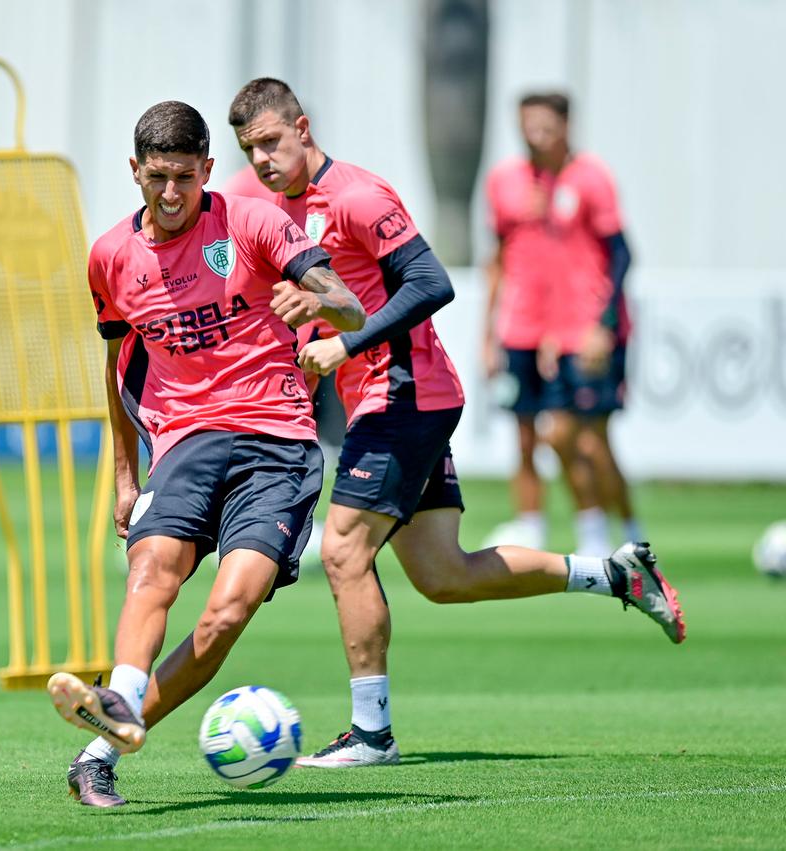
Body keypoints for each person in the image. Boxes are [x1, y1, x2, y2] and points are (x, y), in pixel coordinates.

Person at [226, 77, 684, 769]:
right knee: (444, 575)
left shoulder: (356, 195)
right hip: (390, 399)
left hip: (405, 392)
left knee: (345, 551)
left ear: (303, 127)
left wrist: (346, 341)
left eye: (269, 142)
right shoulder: (272, 204)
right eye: (249, 148)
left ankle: (371, 734)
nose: (261, 159)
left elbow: (433, 282)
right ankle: (615, 574)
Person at [46, 100, 363, 807]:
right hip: (184, 439)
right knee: (153, 568)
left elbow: (351, 308)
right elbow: (116, 365)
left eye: (184, 178)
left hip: (277, 443)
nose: (169, 194)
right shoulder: (109, 256)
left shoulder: (250, 221)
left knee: (225, 613)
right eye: (156, 178)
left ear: (208, 171)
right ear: (135, 171)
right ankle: (120, 701)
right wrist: (125, 475)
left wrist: (317, 303)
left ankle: (98, 748)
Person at [481, 91, 640, 556]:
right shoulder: (505, 182)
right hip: (524, 329)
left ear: (566, 126)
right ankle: (545, 529)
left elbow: (622, 254)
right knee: (529, 436)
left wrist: (602, 324)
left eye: (544, 126)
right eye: (526, 125)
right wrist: (487, 335)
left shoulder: (590, 178)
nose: (534, 136)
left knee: (586, 439)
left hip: (582, 332)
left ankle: (630, 530)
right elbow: (498, 259)